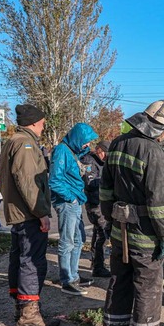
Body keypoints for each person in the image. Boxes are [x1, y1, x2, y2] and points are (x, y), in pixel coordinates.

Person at [100, 100, 164, 326]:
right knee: (148, 286)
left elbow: (105, 189)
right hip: (145, 236)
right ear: (158, 128)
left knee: (119, 279)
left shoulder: (117, 144)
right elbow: (160, 204)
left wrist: (109, 219)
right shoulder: (153, 152)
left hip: (119, 230)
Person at [0, 104, 59, 326]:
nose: (44, 126)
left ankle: (22, 308)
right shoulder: (25, 143)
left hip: (20, 212)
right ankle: (29, 314)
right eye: (42, 122)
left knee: (20, 259)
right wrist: (41, 212)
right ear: (34, 122)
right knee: (32, 261)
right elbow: (27, 182)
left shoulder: (12, 141)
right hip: (28, 214)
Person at [49, 123, 98, 296]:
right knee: (67, 241)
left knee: (78, 240)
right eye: (86, 141)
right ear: (78, 138)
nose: (87, 144)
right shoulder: (62, 151)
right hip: (67, 202)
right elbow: (55, 180)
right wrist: (71, 197)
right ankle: (66, 280)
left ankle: (73, 275)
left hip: (74, 202)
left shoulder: (71, 151)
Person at [81, 139, 112, 278]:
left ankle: (96, 263)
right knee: (102, 232)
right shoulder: (89, 161)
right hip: (94, 203)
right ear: (100, 150)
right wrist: (107, 183)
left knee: (99, 232)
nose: (106, 157)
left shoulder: (103, 162)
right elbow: (90, 182)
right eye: (105, 153)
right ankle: (98, 266)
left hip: (100, 202)